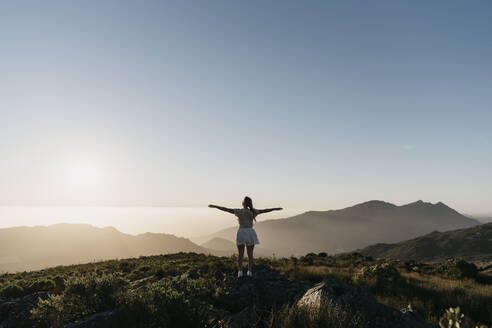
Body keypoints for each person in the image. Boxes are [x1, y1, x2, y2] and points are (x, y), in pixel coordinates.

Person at [208, 196, 282, 278]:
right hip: (250, 232)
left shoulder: (239, 211)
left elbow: (226, 209)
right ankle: (249, 272)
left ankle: (240, 272)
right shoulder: (253, 211)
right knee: (250, 255)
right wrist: (275, 208)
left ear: (243, 203)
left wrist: (215, 206)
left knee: (240, 254)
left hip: (242, 232)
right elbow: (265, 210)